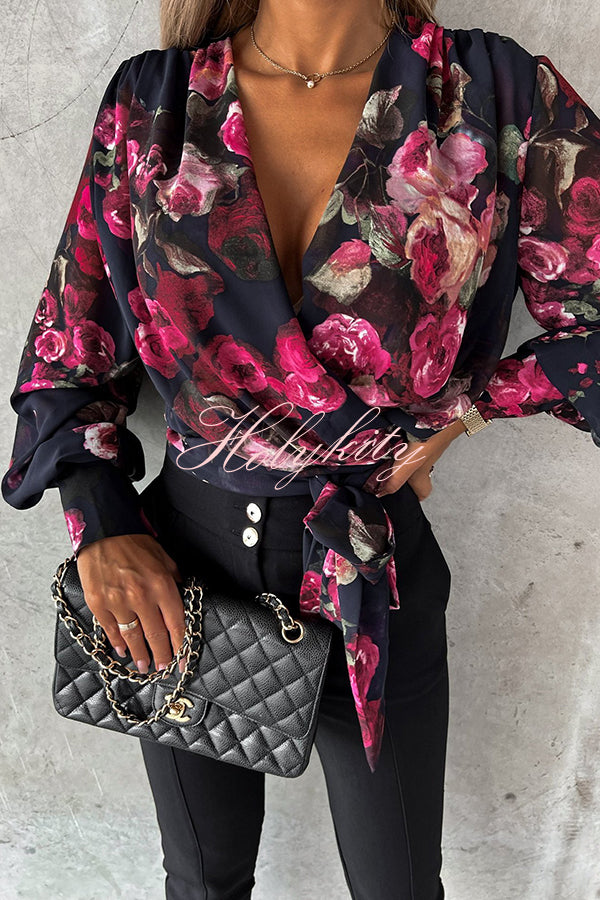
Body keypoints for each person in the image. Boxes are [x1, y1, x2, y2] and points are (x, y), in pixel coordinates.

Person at [2, 0, 600, 897]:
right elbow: (67, 353)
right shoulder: (152, 104)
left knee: (400, 888)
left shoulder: (492, 94)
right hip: (181, 575)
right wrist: (102, 522)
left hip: (372, 574)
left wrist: (471, 411)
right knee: (201, 882)